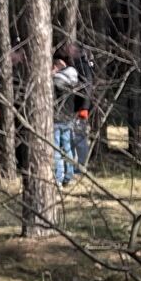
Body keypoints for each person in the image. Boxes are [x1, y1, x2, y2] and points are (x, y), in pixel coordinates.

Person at [52, 57, 81, 185]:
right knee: (68, 148)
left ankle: (58, 177)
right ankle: (68, 175)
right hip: (68, 117)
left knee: (56, 149)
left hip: (57, 118)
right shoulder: (73, 83)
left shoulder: (56, 82)